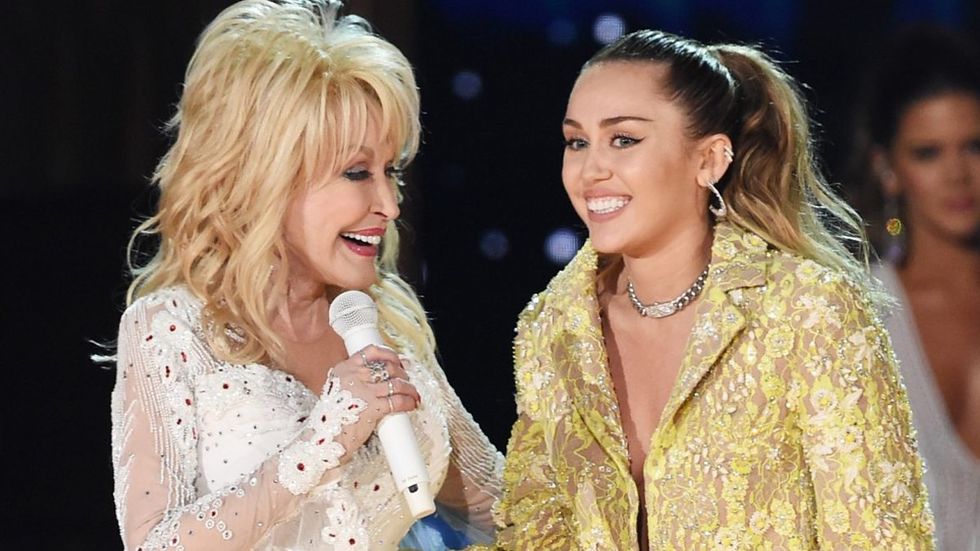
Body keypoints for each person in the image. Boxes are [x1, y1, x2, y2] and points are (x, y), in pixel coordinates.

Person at [483, 30, 935, 549]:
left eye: (624, 139)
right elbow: (536, 534)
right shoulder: (555, 329)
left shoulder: (807, 311)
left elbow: (879, 538)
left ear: (710, 160)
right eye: (576, 142)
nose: (591, 170)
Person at [109, 1, 503, 549]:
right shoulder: (171, 328)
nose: (389, 204)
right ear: (266, 176)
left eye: (390, 171)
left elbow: (507, 506)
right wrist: (323, 439)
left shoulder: (384, 327)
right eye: (357, 173)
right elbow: (155, 542)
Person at [849, 27, 980, 551]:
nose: (958, 175)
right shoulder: (860, 317)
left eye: (974, 146)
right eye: (928, 153)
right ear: (888, 169)